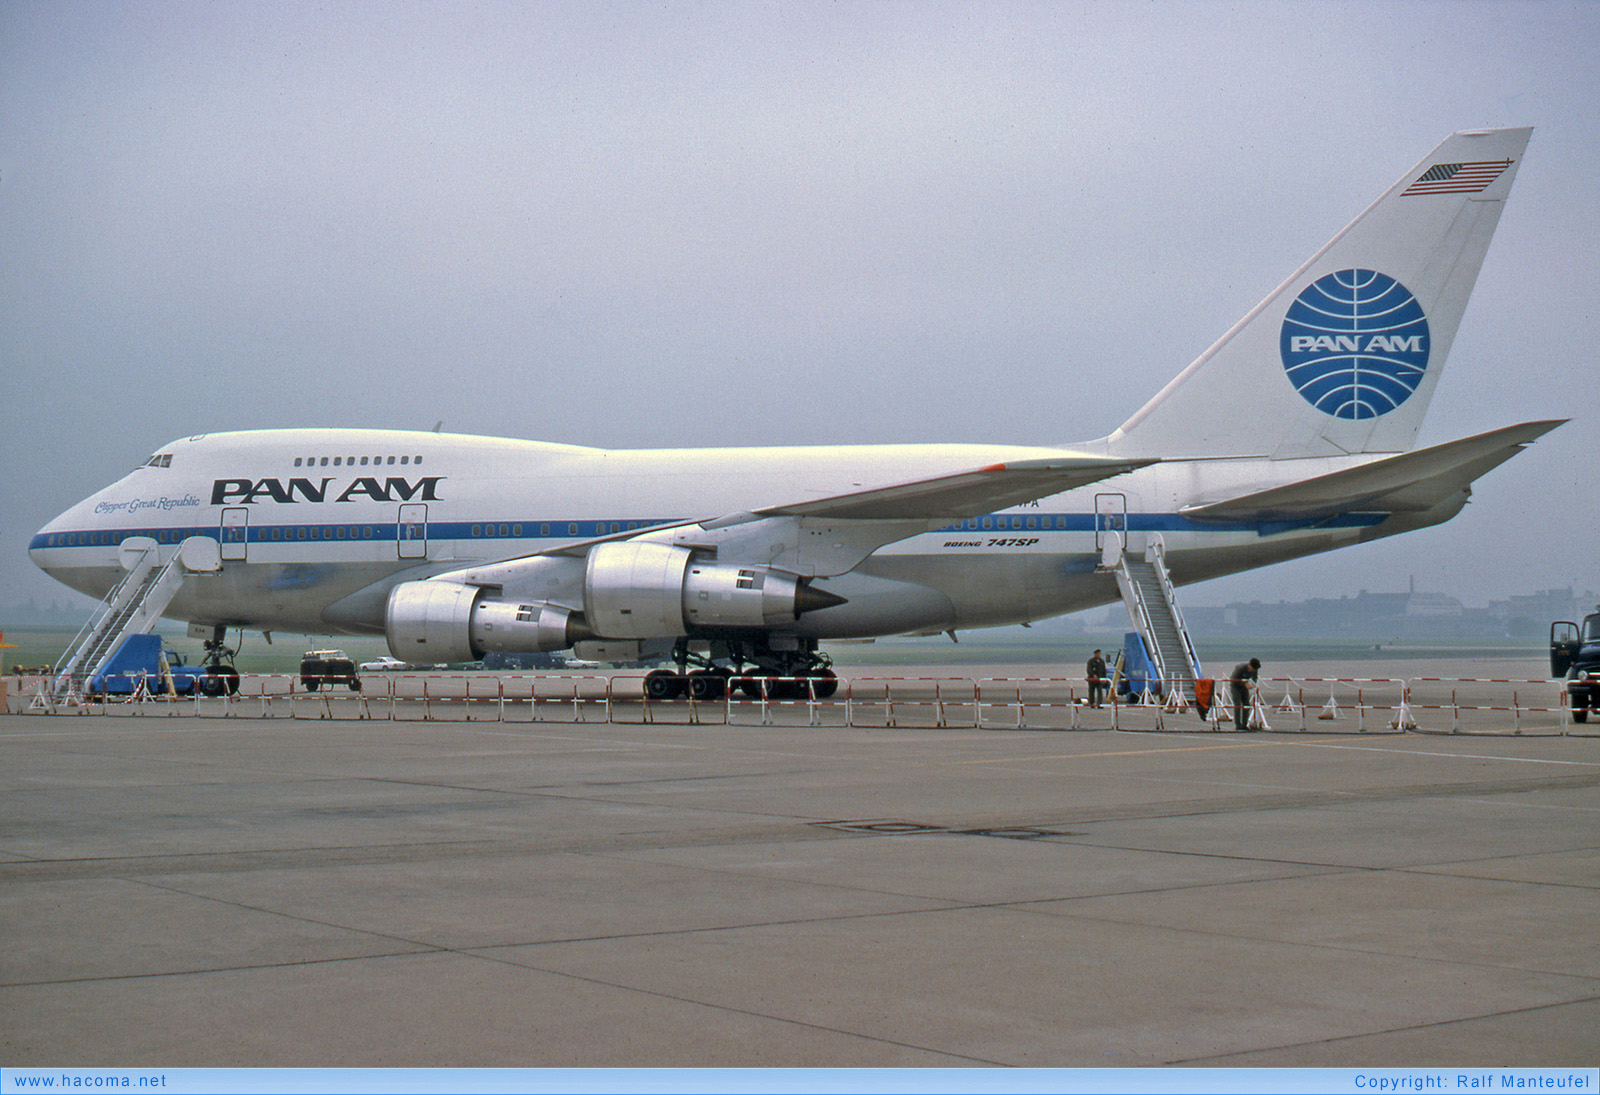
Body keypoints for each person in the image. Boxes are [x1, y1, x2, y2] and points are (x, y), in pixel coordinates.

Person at [1230, 657, 1261, 729]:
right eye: (1252, 669)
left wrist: (1253, 684)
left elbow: (1255, 678)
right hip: (1236, 686)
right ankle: (1238, 725)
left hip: (1244, 687)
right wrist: (1244, 684)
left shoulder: (1254, 670)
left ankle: (1245, 724)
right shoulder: (1240, 668)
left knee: (1246, 705)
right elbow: (1233, 679)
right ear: (1249, 665)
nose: (1253, 671)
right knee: (1238, 705)